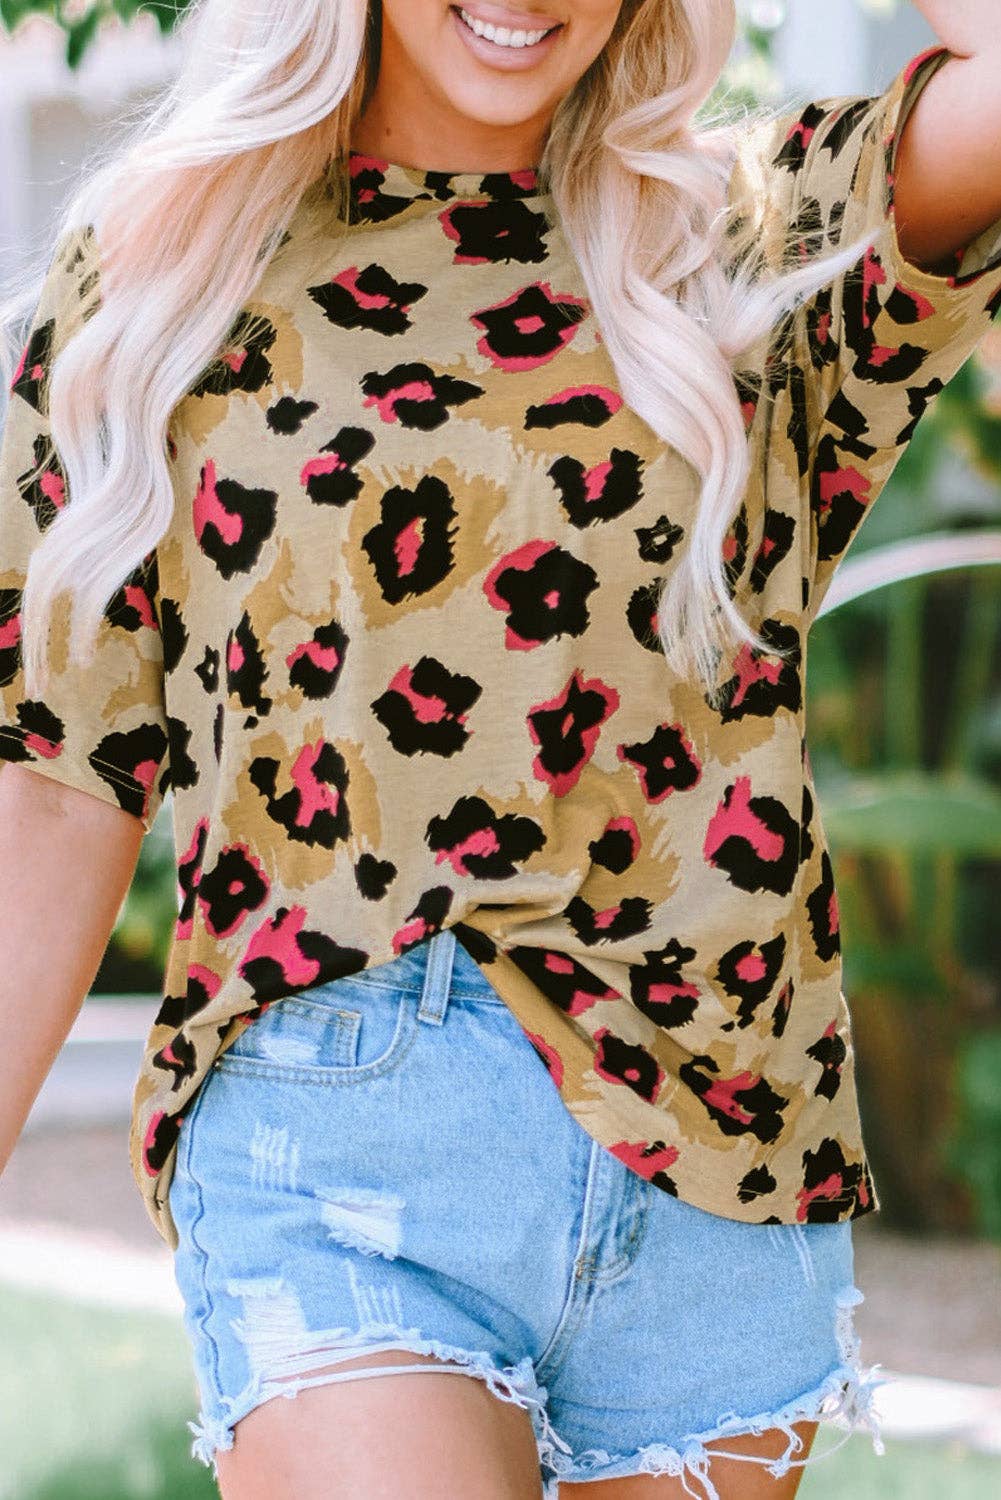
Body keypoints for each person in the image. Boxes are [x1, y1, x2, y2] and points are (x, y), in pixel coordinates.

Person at [2, 0, 1000, 1495]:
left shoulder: (744, 243)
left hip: (720, 1146)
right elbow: (57, 776)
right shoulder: (166, 273)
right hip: (338, 1126)